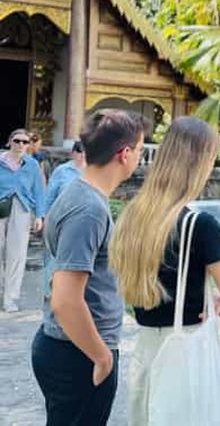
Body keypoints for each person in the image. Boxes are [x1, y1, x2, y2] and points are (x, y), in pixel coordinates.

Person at [109, 116, 220, 425]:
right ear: (198, 162)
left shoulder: (133, 216)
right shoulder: (199, 226)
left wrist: (211, 297)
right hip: (188, 355)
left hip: (146, 352)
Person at [31, 110, 146, 426]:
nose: (139, 156)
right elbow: (66, 300)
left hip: (74, 348)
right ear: (124, 154)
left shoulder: (83, 195)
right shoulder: (88, 209)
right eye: (139, 149)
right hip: (77, 354)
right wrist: (102, 356)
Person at [0, 128, 46, 312]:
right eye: (17, 141)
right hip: (1, 206)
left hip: (22, 209)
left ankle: (10, 298)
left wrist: (40, 215)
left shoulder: (32, 164)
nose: (20, 145)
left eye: (25, 142)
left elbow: (39, 191)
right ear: (9, 141)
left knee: (17, 255)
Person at [42, 141, 87, 302]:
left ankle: (69, 292)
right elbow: (50, 196)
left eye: (86, 152)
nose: (83, 155)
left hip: (81, 220)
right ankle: (49, 291)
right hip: (59, 218)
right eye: (80, 151)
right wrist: (45, 216)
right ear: (73, 153)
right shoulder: (62, 171)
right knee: (52, 256)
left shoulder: (92, 172)